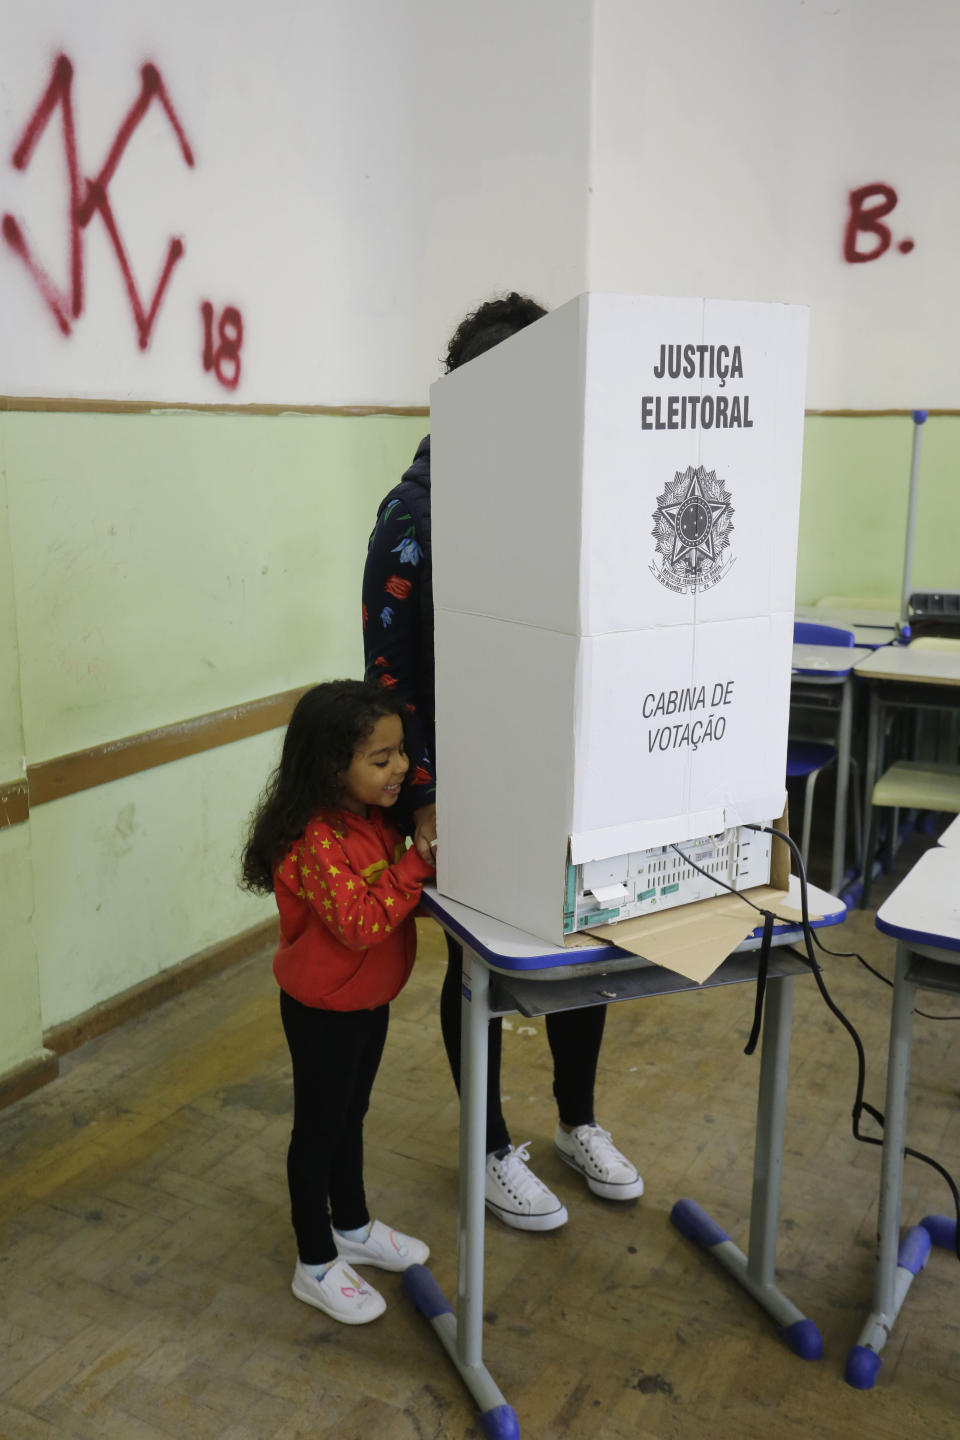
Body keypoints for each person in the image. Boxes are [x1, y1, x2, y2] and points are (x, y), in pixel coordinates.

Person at [361, 293, 643, 1232]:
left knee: (581, 946)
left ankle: (578, 1121)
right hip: (464, 782)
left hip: (562, 764)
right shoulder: (414, 512)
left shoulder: (560, 490)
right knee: (478, 962)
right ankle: (487, 1147)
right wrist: (426, 795)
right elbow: (390, 675)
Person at [241, 680, 436, 1323]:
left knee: (352, 1114)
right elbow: (357, 923)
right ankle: (316, 1260)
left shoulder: (372, 820)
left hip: (367, 1001)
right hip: (324, 1011)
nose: (400, 768)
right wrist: (415, 867)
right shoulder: (314, 840)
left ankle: (351, 1224)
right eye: (381, 760)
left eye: (400, 752)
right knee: (319, 1130)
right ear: (331, 769)